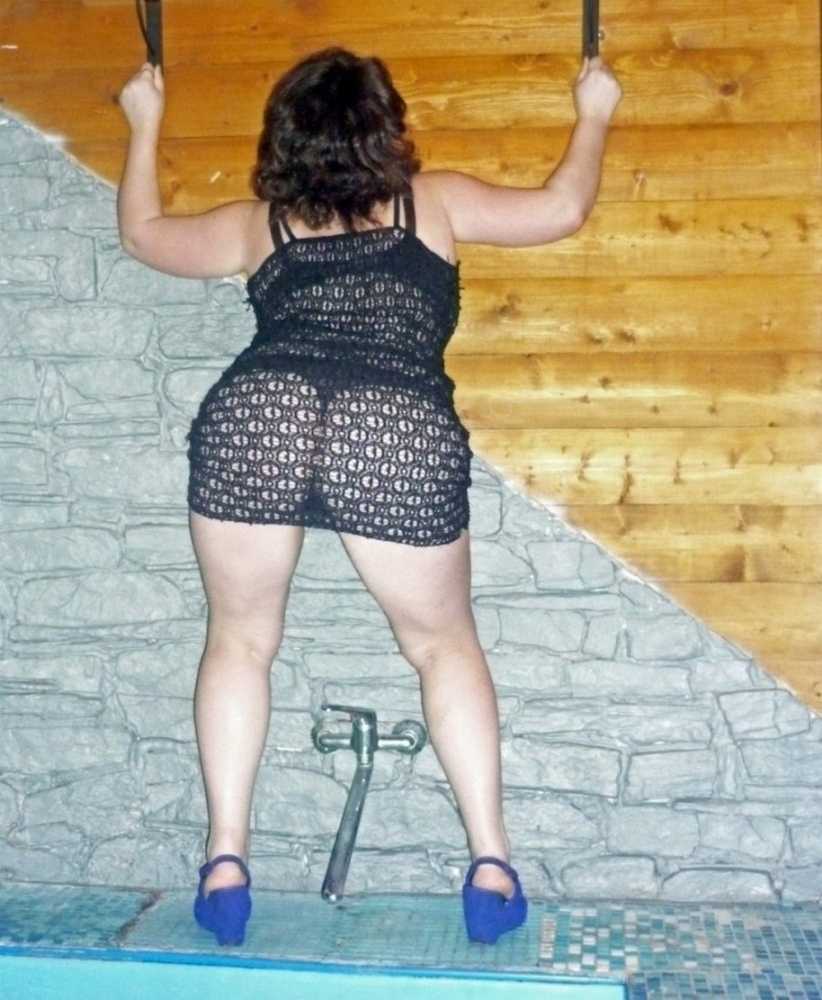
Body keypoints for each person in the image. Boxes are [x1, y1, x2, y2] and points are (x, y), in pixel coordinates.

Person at [117, 46, 622, 947]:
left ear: (285, 137)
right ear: (387, 130)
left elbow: (144, 235)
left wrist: (144, 121)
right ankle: (491, 866)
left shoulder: (257, 224)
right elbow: (563, 207)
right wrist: (595, 111)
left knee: (240, 640)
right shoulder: (437, 202)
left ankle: (225, 863)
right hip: (390, 420)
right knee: (441, 646)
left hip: (261, 412)